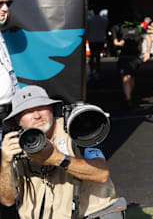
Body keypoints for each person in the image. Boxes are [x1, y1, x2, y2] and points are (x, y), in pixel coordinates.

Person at [0, 86, 126, 218]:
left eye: (41, 108)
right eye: (28, 112)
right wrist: (5, 163)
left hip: (92, 214)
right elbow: (7, 200)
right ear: (17, 120)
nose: (37, 115)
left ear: (51, 109)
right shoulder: (16, 144)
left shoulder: (74, 129)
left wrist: (57, 158)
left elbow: (101, 174)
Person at [114, 19, 149, 104]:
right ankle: (129, 96)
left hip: (125, 55)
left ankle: (128, 97)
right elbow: (149, 37)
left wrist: (115, 41)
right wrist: (147, 52)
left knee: (127, 77)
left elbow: (113, 28)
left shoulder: (121, 26)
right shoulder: (139, 27)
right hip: (135, 56)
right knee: (130, 76)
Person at [0, 0, 17, 124]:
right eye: (0, 4)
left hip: (8, 111)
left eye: (7, 3)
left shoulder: (1, 35)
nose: (5, 9)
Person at [86, 6, 108, 80]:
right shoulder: (104, 20)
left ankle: (92, 71)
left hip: (92, 39)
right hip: (100, 39)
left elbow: (87, 29)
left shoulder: (90, 20)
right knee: (98, 56)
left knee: (92, 56)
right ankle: (98, 71)